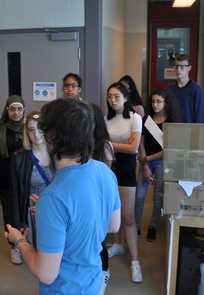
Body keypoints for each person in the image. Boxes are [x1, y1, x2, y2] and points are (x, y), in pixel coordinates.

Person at [5, 97, 121, 295]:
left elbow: (46, 273)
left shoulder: (53, 198)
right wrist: (61, 215)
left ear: (51, 137)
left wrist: (20, 241)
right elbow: (112, 226)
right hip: (93, 285)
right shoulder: (104, 171)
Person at [105, 82, 143, 283]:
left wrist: (109, 144)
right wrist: (121, 145)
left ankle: (135, 262)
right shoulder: (105, 120)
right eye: (110, 96)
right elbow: (101, 146)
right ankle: (118, 245)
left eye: (117, 97)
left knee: (128, 217)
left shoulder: (135, 118)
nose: (113, 100)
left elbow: (133, 147)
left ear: (126, 98)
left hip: (127, 169)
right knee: (113, 212)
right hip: (108, 167)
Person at [135, 87, 180, 242]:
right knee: (139, 195)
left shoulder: (172, 123)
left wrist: (146, 159)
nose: (155, 104)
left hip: (162, 163)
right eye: (153, 101)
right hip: (145, 162)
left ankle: (153, 226)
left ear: (166, 102)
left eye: (159, 101)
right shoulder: (145, 120)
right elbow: (141, 143)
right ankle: (135, 226)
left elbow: (168, 150)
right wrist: (146, 165)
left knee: (158, 197)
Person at [9, 111, 56, 249]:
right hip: (31, 212)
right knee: (36, 250)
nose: (36, 134)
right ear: (26, 133)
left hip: (54, 209)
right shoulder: (18, 158)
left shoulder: (57, 154)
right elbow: (14, 194)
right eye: (31, 130)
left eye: (40, 129)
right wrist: (17, 225)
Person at [0, 95, 25, 265]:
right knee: (9, 213)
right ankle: (15, 246)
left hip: (24, 178)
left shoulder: (29, 127)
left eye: (19, 109)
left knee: (27, 211)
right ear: (7, 110)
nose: (16, 112)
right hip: (4, 178)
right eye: (13, 109)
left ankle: (28, 244)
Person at [91, 103, 115, 294]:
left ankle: (104, 271)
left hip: (99, 195)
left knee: (99, 237)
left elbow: (106, 176)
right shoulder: (76, 142)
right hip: (84, 195)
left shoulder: (105, 145)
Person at [167, 53, 204, 123]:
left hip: (189, 130)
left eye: (182, 67)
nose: (178, 70)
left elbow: (199, 116)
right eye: (176, 66)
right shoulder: (170, 89)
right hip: (173, 129)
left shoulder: (196, 89)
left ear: (189, 68)